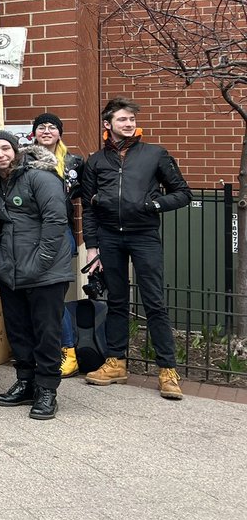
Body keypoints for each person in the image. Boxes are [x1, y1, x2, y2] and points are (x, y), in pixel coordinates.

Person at [81, 97, 192, 400]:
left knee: (154, 302)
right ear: (108, 124)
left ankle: (167, 371)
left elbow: (182, 193)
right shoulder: (95, 162)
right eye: (122, 119)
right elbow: (88, 210)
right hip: (109, 238)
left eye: (131, 119)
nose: (128, 124)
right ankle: (116, 363)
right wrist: (92, 248)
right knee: (116, 301)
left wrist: (152, 204)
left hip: (144, 236)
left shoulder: (155, 154)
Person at [0, 131, 72, 420]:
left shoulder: (40, 177)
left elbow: (56, 220)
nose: (0, 154)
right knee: (19, 331)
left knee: (46, 333)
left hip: (46, 273)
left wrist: (41, 261)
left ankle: (47, 390)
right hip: (11, 272)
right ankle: (26, 382)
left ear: (16, 149)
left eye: (5, 147)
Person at [31, 112, 86, 378]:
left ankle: (68, 350)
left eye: (52, 127)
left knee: (54, 295)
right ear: (34, 133)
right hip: (29, 231)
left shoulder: (74, 162)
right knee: (37, 295)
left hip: (59, 230)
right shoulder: (25, 159)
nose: (47, 130)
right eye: (41, 127)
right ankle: (43, 348)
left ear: (60, 133)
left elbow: (85, 197)